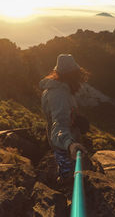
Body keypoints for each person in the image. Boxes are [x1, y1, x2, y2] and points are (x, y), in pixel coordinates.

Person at [39, 54, 88, 182]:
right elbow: (59, 125)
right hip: (64, 144)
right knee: (70, 177)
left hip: (61, 141)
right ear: (71, 75)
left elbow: (57, 115)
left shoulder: (58, 89)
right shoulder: (59, 94)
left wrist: (76, 118)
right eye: (77, 74)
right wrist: (70, 144)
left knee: (67, 172)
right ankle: (67, 192)